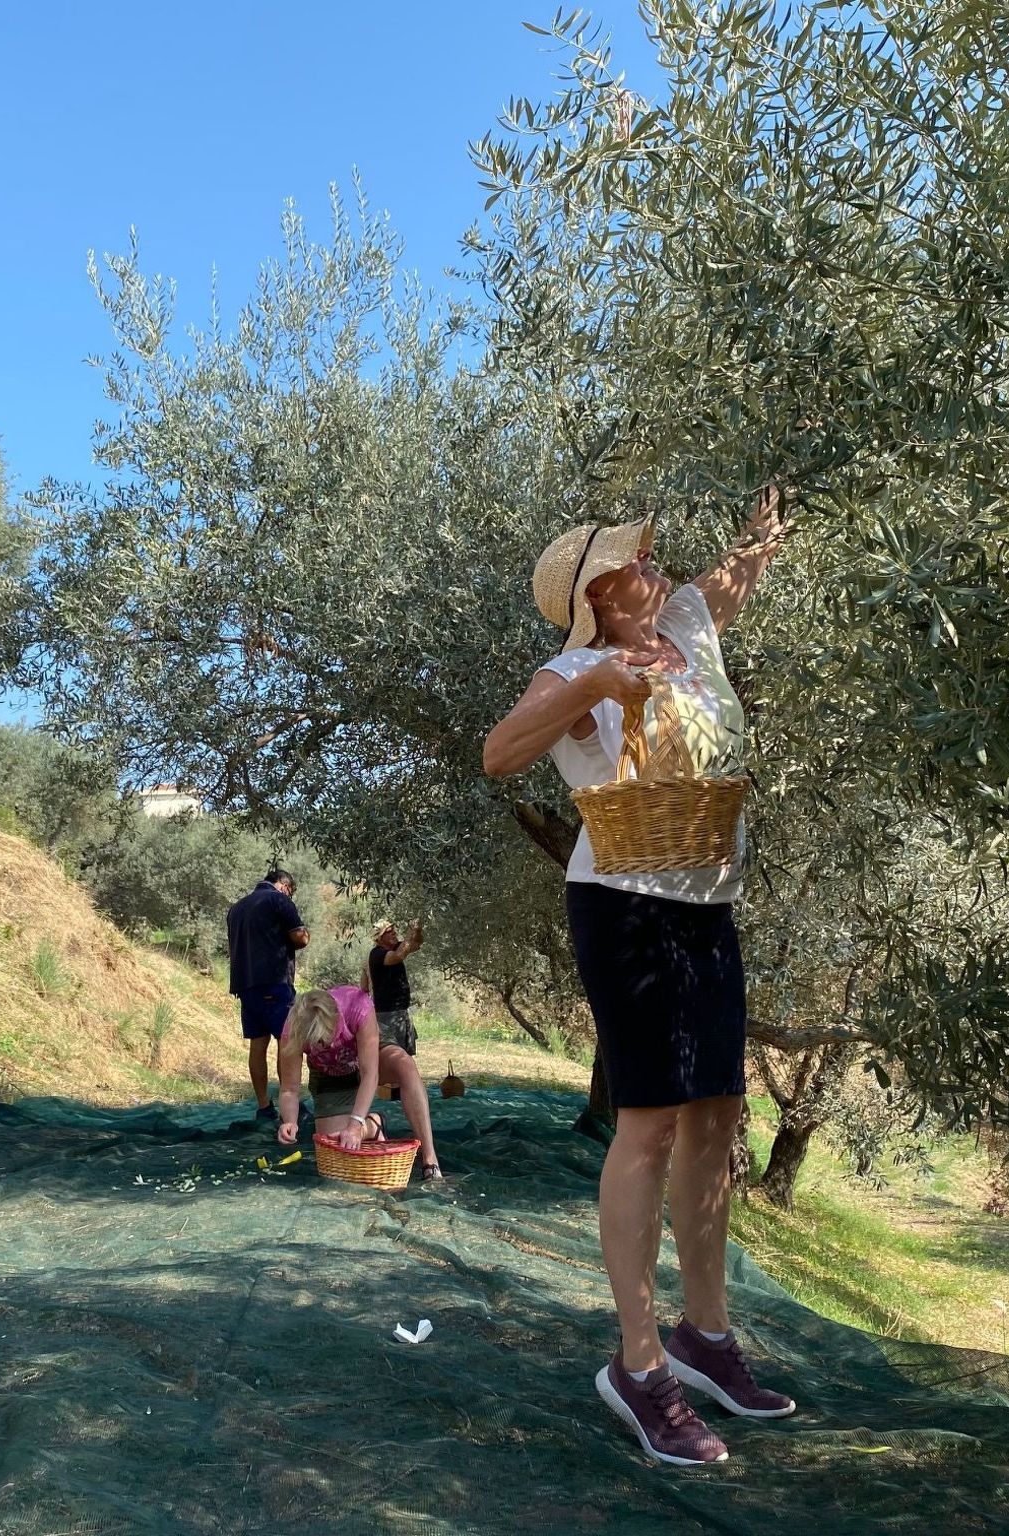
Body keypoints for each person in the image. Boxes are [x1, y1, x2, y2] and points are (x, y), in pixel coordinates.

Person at [481, 486, 799, 1467]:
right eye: (639, 563)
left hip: (706, 904)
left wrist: (768, 532)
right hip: (624, 904)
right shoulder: (575, 662)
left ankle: (705, 1335)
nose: (660, 569)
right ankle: (638, 1364)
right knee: (649, 1123)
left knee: (714, 1113)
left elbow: (734, 576)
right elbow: (498, 754)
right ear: (605, 591)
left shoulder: (689, 626)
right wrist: (591, 690)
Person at [274, 984, 443, 1181]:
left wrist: (355, 1125)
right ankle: (373, 1125)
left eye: (322, 1040)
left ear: (335, 1019)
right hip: (329, 1073)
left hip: (367, 1056)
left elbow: (370, 1074)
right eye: (314, 1043)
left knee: (404, 1064)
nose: (321, 1046)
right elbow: (289, 1089)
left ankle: (430, 1159)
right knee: (336, 1149)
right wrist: (290, 1122)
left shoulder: (357, 1006)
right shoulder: (293, 1029)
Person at [226, 868, 309, 1123]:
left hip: (245, 985)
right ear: (284, 885)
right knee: (288, 1044)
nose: (290, 896)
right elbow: (301, 938)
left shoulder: (236, 908)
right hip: (274, 982)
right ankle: (290, 1105)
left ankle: (264, 1107)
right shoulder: (279, 900)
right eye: (291, 892)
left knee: (258, 1045)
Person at [361, 918, 424, 1055]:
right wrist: (410, 932)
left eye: (394, 930)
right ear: (379, 938)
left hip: (400, 1012)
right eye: (389, 932)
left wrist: (417, 931)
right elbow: (398, 956)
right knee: (392, 1054)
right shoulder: (377, 954)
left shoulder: (395, 947)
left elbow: (417, 944)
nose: (394, 933)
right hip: (387, 1015)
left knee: (403, 1054)